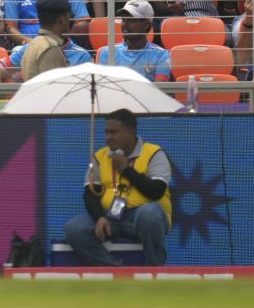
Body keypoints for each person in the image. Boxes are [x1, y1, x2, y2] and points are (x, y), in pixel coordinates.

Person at [62, 109, 172, 266]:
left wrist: (125, 169)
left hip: (140, 218)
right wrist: (99, 217)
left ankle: (154, 271)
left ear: (131, 131)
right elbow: (90, 194)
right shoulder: (100, 156)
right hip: (110, 218)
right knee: (74, 228)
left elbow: (156, 191)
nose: (108, 137)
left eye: (114, 132)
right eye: (106, 132)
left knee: (150, 214)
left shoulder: (154, 153)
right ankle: (115, 270)